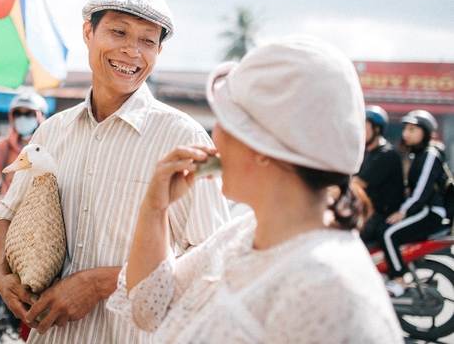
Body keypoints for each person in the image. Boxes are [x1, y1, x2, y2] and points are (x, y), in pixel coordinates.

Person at [108, 36, 403, 343]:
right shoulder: (246, 233)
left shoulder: (328, 288)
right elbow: (148, 309)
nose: (213, 137)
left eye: (224, 121)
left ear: (263, 146)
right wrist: (155, 208)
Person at [0, 0, 231, 344]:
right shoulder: (52, 132)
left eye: (148, 41)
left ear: (159, 50)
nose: (131, 51)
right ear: (88, 32)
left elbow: (214, 264)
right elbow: (7, 213)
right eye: (118, 32)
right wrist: (1, 272)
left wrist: (100, 282)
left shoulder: (185, 138)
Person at [0, 91, 48, 344]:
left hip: (38, 225)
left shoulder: (51, 145)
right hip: (8, 223)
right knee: (3, 278)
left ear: (40, 116)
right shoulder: (4, 146)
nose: (22, 118)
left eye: (28, 114)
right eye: (17, 113)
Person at [382, 109, 448, 297]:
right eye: (406, 129)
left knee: (387, 233)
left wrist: (403, 211)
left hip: (430, 211)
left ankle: (399, 279)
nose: (406, 134)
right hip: (422, 209)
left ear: (425, 133)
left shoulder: (430, 154)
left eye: (413, 129)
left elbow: (421, 190)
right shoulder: (417, 154)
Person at [353, 105, 405, 245]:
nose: (361, 132)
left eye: (365, 127)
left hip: (380, 217)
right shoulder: (367, 153)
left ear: (377, 129)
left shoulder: (386, 154)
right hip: (366, 213)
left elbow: (357, 183)